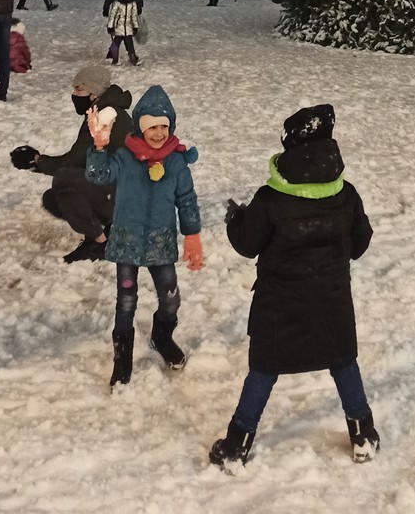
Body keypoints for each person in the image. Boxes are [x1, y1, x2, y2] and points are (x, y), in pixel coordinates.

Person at [210, 103, 377, 469]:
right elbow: (360, 242)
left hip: (280, 303)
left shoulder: (270, 199)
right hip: (331, 298)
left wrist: (236, 217)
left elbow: (247, 243)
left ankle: (237, 443)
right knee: (343, 362)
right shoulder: (345, 193)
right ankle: (363, 433)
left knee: (265, 368)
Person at [84, 84, 202, 384]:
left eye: (164, 126)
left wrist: (192, 235)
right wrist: (99, 147)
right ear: (140, 126)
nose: (159, 133)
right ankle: (122, 359)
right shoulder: (125, 157)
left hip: (160, 244)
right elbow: (98, 175)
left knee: (171, 298)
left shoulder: (176, 161)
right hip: (127, 241)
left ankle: (162, 336)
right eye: (152, 126)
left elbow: (186, 200)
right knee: (126, 301)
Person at [9, 65, 134, 262]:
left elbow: (76, 160)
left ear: (93, 92)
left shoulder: (105, 116)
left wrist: (37, 161)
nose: (74, 94)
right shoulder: (105, 109)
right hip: (116, 190)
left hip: (124, 196)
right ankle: (103, 233)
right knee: (54, 198)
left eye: (79, 89)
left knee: (64, 178)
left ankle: (100, 243)